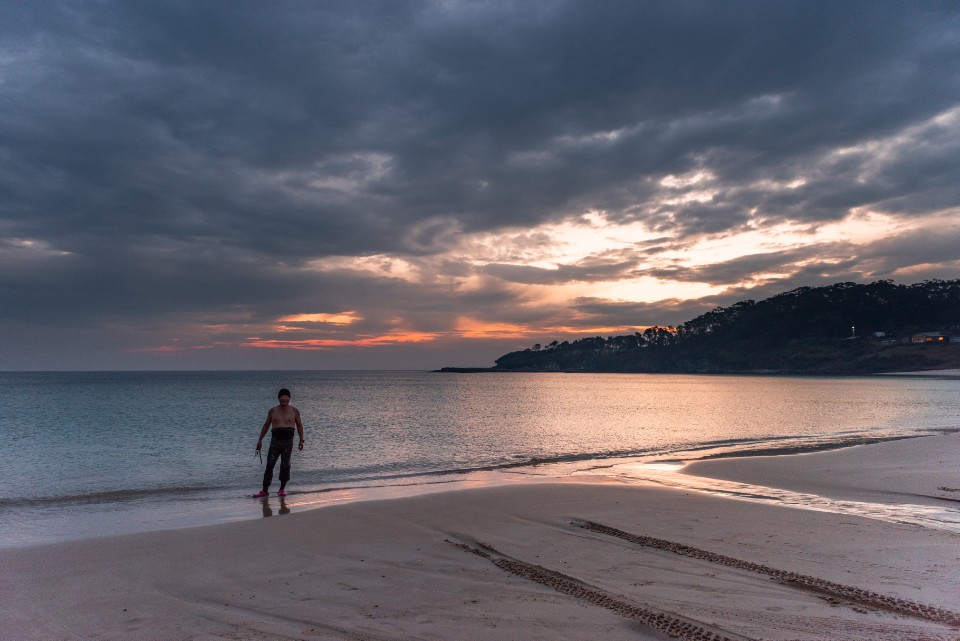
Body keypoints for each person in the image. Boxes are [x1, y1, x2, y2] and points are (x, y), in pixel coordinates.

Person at [255, 388, 304, 497]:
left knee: (285, 465)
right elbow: (266, 425)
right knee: (269, 465)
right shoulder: (273, 411)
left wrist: (301, 440)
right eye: (282, 396)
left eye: (287, 396)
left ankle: (282, 489)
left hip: (288, 442)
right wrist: (260, 440)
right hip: (275, 442)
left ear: (289, 398)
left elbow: (299, 425)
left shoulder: (295, 411)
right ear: (279, 398)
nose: (284, 398)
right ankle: (264, 490)